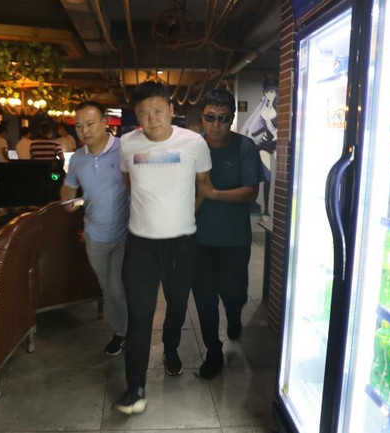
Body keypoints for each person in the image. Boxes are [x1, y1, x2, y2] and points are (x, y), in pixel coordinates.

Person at [113, 81, 212, 415]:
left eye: (157, 110)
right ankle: (135, 388)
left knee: (177, 304)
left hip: (181, 243)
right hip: (140, 245)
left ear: (171, 110)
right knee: (139, 315)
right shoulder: (127, 144)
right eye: (143, 113)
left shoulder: (194, 143)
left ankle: (171, 348)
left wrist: (183, 215)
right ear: (136, 116)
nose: (151, 119)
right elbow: (129, 183)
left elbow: (203, 185)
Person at [193, 88, 263, 380]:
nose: (216, 124)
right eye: (210, 117)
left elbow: (251, 192)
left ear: (232, 118)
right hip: (199, 240)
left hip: (235, 239)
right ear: (202, 117)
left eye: (223, 118)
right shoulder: (193, 148)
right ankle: (213, 351)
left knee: (234, 295)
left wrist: (213, 194)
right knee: (205, 300)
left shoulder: (245, 147)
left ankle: (234, 315)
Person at [61, 101, 130, 357]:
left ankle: (126, 332)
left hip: (126, 232)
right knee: (107, 287)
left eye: (90, 124)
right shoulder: (78, 158)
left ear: (104, 122)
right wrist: (67, 199)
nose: (84, 131)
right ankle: (122, 331)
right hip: (94, 234)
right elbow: (69, 186)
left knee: (118, 286)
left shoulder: (125, 149)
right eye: (79, 126)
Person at [240, 77, 278, 217]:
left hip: (276, 145)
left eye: (272, 91)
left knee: (273, 176)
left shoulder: (280, 107)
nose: (270, 94)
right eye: (268, 91)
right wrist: (250, 137)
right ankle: (264, 208)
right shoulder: (264, 108)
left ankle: (268, 208)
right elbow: (258, 127)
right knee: (264, 176)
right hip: (264, 144)